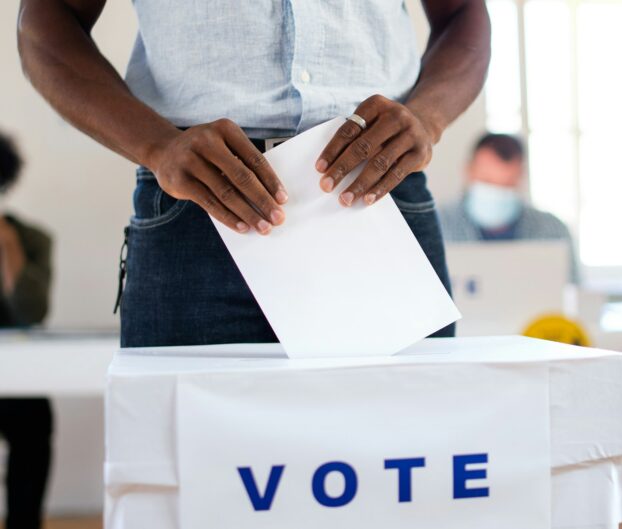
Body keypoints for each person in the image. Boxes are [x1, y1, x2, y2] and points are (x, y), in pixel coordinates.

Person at [18, 1, 490, 347]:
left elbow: (463, 13)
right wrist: (155, 145)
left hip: (377, 191)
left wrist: (428, 118)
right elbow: (46, 18)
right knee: (193, 466)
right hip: (197, 207)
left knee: (409, 455)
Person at [439, 133, 580, 283]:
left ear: (521, 177)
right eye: (487, 181)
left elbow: (572, 293)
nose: (496, 192)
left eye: (507, 184)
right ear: (468, 170)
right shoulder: (437, 225)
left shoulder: (553, 231)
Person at [0, 133, 53, 529]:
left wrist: (8, 248)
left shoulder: (32, 239)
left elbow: (31, 312)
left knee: (34, 429)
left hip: (17, 374)